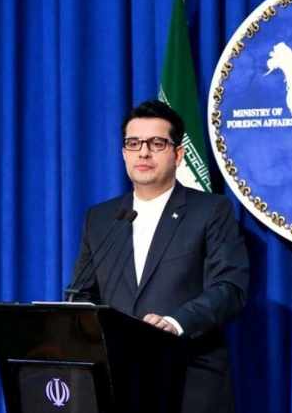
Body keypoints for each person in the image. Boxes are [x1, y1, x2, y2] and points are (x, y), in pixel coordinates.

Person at [69, 100, 250, 413]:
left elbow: (229, 288)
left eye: (156, 143)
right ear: (124, 152)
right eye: (133, 143)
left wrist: (175, 323)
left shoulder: (211, 210)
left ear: (178, 155)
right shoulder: (101, 218)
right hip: (118, 381)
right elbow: (83, 292)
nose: (143, 152)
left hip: (188, 377)